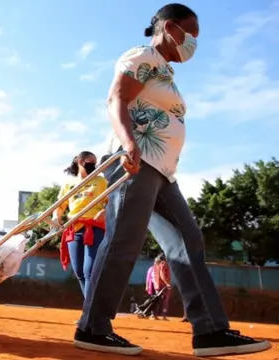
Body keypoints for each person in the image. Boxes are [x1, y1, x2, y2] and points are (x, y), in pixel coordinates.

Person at [73, 4, 271, 357]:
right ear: (169, 27)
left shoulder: (165, 72)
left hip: (162, 171)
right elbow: (116, 98)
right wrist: (130, 142)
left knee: (187, 240)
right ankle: (93, 327)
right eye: (190, 33)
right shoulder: (144, 55)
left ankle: (210, 331)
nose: (194, 41)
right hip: (135, 161)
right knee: (123, 241)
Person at [52, 151, 107, 299]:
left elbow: (111, 202)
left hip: (94, 228)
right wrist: (56, 217)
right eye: (91, 163)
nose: (94, 166)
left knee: (89, 271)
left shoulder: (101, 182)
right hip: (74, 229)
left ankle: (88, 314)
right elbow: (60, 206)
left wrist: (104, 212)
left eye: (95, 163)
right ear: (81, 162)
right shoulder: (69, 184)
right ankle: (91, 309)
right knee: (79, 273)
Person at [152, 254, 171, 320]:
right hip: (163, 285)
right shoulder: (163, 263)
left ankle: (155, 315)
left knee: (157, 300)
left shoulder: (155, 264)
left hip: (157, 284)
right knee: (165, 301)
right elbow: (162, 274)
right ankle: (164, 316)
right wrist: (167, 283)